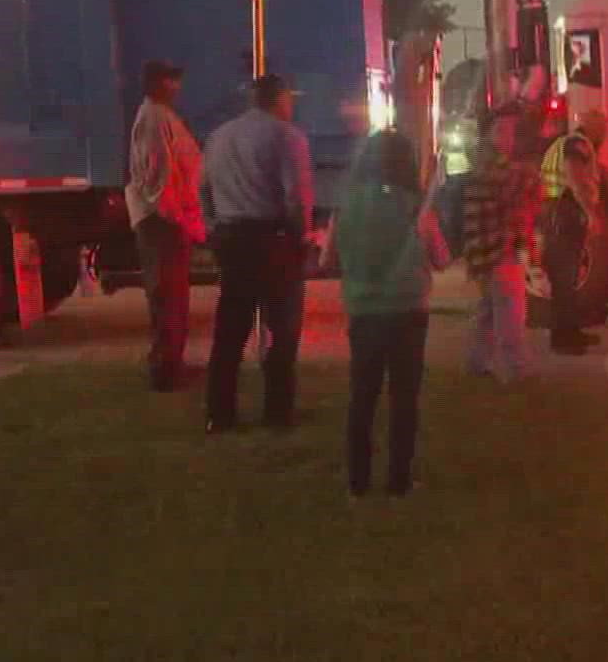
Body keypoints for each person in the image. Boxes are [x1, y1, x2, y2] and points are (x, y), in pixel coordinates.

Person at [325, 130, 451, 498]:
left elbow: (327, 259)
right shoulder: (417, 208)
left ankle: (357, 480)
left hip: (364, 310)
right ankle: (399, 480)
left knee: (362, 396)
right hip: (408, 311)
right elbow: (442, 259)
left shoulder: (346, 206)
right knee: (403, 398)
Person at [200, 73, 314, 432]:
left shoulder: (218, 137)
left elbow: (203, 189)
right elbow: (296, 195)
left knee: (230, 330)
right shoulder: (286, 136)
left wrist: (214, 226)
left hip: (232, 239)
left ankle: (220, 414)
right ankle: (277, 413)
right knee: (281, 330)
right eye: (288, 98)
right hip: (272, 239)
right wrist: (301, 236)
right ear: (278, 99)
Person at [124, 60, 206, 393]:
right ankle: (165, 370)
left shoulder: (161, 116)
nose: (177, 87)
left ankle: (173, 364)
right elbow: (157, 178)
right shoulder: (154, 119)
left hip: (169, 220)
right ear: (157, 83)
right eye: (172, 80)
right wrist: (181, 220)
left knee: (173, 297)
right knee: (167, 296)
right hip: (162, 222)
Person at [460, 108, 539, 382]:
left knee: (489, 311)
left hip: (484, 252)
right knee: (510, 313)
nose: (509, 137)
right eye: (502, 131)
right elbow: (524, 184)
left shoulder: (486, 164)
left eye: (512, 131)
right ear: (489, 134)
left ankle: (477, 362)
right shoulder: (496, 168)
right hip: (498, 250)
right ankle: (517, 372)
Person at [538, 109, 608, 355]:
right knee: (565, 280)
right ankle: (563, 339)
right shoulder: (578, 144)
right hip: (566, 214)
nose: (606, 133)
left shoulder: (565, 142)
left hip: (556, 213)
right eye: (603, 127)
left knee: (566, 280)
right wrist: (591, 213)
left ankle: (569, 332)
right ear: (593, 126)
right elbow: (576, 178)